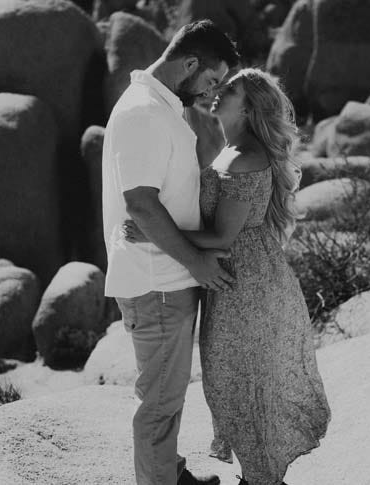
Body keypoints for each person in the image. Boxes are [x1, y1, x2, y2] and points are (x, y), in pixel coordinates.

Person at [124, 69, 331, 485]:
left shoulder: (246, 156)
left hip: (247, 287)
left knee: (241, 384)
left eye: (230, 88)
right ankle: (257, 476)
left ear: (249, 106)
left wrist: (154, 231)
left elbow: (221, 235)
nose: (218, 91)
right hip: (234, 281)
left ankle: (260, 479)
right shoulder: (231, 149)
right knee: (231, 384)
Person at [101, 20, 241, 485]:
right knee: (159, 404)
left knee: (169, 395)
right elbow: (140, 204)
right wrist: (197, 260)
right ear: (190, 63)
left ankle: (171, 474)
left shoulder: (162, 107)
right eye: (212, 80)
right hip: (156, 281)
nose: (212, 93)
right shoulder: (144, 112)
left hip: (165, 276)